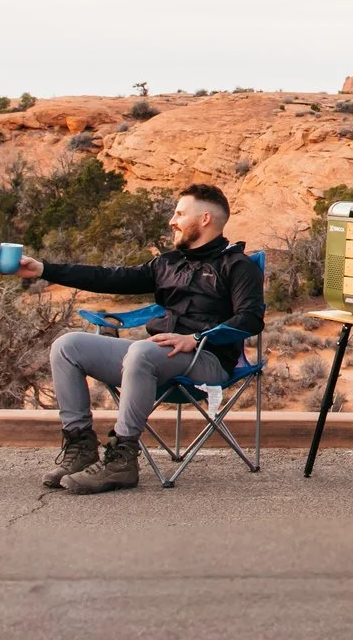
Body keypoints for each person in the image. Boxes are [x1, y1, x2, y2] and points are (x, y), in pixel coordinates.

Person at [25, 182, 264, 494]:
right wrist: (43, 269)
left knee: (141, 351)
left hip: (208, 360)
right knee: (67, 346)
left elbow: (251, 318)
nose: (172, 221)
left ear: (205, 219)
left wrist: (196, 337)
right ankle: (81, 448)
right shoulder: (168, 263)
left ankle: (121, 460)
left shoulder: (238, 265)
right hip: (154, 357)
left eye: (180, 214)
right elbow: (108, 277)